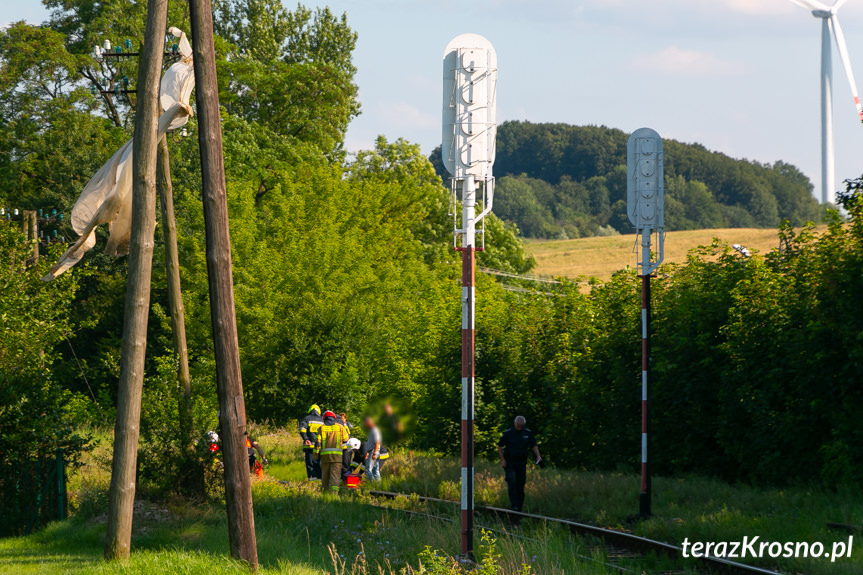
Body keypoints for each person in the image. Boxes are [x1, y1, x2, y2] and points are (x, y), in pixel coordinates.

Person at [497, 416, 543, 512]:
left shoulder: (527, 433)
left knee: (520, 484)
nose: (519, 428)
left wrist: (538, 456)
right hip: (510, 462)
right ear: (515, 423)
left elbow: (533, 445)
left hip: (522, 462)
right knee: (512, 481)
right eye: (518, 425)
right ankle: (514, 505)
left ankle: (519, 507)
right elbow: (499, 446)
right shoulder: (508, 433)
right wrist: (503, 460)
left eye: (521, 426)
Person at [315, 410, 350, 493]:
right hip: (336, 457)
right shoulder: (340, 427)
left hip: (324, 457)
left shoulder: (321, 428)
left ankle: (324, 492)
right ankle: (334, 494)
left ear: (324, 418)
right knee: (335, 475)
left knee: (325, 476)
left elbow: (317, 444)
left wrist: (315, 456)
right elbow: (346, 439)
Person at [298, 404, 324, 480]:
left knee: (310, 464)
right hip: (319, 446)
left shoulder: (307, 418)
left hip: (309, 446)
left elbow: (302, 429)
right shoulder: (322, 420)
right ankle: (320, 479)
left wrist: (306, 439)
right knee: (319, 463)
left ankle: (312, 479)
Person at [363, 416, 383, 481]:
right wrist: (367, 453)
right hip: (372, 452)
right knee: (375, 471)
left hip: (374, 451)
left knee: (367, 471)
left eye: (366, 423)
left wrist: (374, 453)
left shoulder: (375, 430)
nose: (365, 424)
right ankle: (379, 487)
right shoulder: (372, 431)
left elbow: (377, 442)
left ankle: (373, 484)